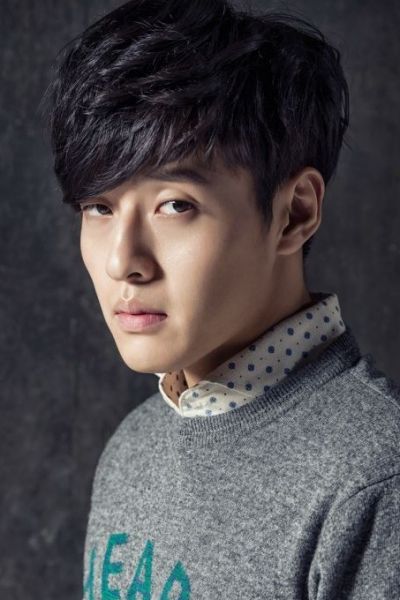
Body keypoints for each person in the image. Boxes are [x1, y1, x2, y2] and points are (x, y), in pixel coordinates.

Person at [42, 0, 400, 598]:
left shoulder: (375, 480)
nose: (122, 261)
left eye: (174, 205)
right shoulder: (134, 446)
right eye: (99, 207)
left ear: (295, 213)